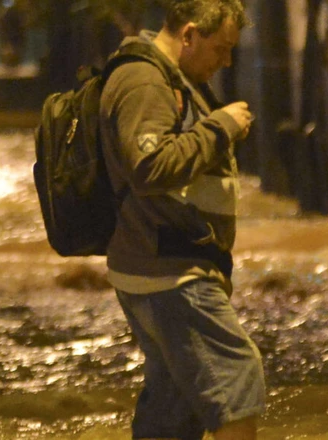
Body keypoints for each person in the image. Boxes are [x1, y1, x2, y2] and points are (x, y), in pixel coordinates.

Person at [98, 1, 258, 438]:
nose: (225, 61)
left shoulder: (171, 78)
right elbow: (150, 166)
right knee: (237, 382)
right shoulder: (144, 80)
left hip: (164, 263)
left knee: (175, 407)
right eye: (220, 49)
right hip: (170, 270)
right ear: (188, 35)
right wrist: (219, 128)